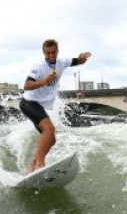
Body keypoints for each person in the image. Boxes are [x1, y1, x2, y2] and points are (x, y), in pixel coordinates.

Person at [19, 38, 92, 174]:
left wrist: (82, 57)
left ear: (57, 51)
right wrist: (45, 81)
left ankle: (29, 169)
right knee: (49, 129)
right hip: (29, 103)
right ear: (44, 53)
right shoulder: (38, 67)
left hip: (39, 105)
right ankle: (40, 165)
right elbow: (27, 86)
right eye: (48, 53)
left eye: (53, 52)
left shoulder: (61, 62)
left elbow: (77, 61)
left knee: (51, 139)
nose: (51, 56)